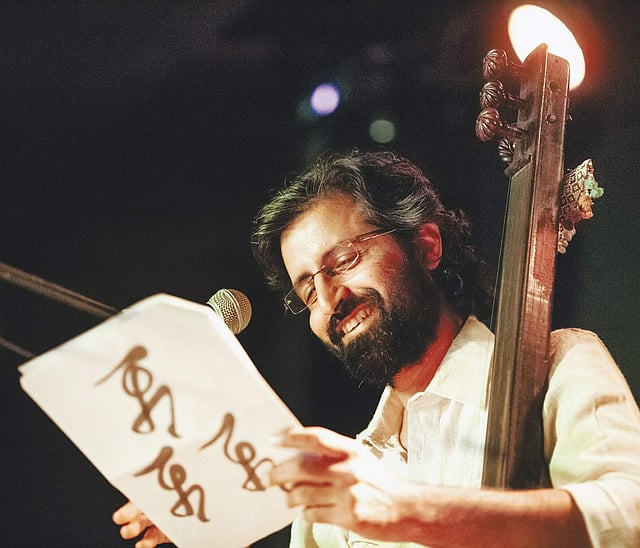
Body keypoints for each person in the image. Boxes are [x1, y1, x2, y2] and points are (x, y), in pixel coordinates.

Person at [113, 150, 640, 547]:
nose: (328, 301)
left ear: (425, 246)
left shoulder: (557, 365)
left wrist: (403, 510)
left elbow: (627, 516)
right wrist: (207, 531)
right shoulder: (344, 481)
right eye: (307, 290)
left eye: (342, 261)